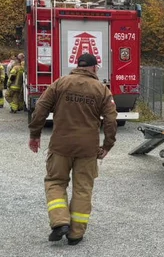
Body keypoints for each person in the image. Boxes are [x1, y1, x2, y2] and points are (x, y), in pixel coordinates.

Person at [28, 52, 117, 245]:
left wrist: (35, 134)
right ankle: (76, 233)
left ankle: (60, 222)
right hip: (87, 149)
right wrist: (108, 145)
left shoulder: (60, 83)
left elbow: (40, 109)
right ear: (94, 68)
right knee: (83, 188)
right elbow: (111, 121)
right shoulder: (102, 90)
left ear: (78, 66)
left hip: (60, 145)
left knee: (55, 182)